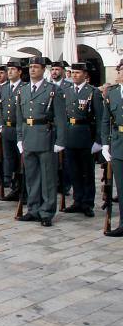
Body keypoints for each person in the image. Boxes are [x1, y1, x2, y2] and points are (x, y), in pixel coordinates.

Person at [16, 56, 67, 227]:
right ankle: (33, 209)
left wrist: (60, 140)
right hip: (28, 135)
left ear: (43, 69)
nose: (32, 70)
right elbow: (19, 118)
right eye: (30, 67)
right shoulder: (23, 90)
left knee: (47, 177)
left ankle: (47, 212)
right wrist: (19, 138)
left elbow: (60, 118)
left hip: (46, 136)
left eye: (36, 67)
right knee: (31, 176)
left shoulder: (52, 90)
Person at [62, 62, 103, 218]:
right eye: (73, 73)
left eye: (78, 73)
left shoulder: (92, 92)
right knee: (73, 171)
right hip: (70, 136)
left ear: (85, 75)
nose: (74, 75)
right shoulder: (66, 91)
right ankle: (77, 200)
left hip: (86, 136)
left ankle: (87, 203)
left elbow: (100, 118)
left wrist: (98, 141)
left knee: (87, 172)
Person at [0, 60, 27, 202]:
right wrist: (1, 125)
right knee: (10, 160)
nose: (9, 72)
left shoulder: (25, 87)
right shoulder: (4, 88)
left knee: (22, 161)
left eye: (13, 70)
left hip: (19, 128)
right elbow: (1, 109)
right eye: (8, 70)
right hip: (7, 129)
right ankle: (15, 187)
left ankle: (24, 189)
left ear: (20, 72)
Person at [101, 59, 123, 236]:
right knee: (121, 187)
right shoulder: (112, 93)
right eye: (120, 70)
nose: (120, 73)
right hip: (118, 142)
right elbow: (105, 120)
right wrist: (105, 144)